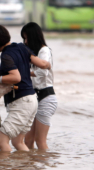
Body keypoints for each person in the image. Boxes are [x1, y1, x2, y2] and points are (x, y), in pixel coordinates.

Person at [0, 25, 51, 152]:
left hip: (21, 102)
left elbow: (16, 77)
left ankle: (5, 166)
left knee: (1, 141)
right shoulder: (22, 47)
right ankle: (27, 164)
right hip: (32, 100)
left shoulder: (6, 55)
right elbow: (42, 64)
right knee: (17, 141)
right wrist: (48, 65)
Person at [22, 22, 58, 150]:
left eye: (26, 38)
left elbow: (42, 72)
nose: (25, 42)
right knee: (28, 140)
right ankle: (30, 165)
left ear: (33, 36)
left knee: (40, 141)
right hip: (35, 98)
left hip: (46, 97)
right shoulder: (33, 54)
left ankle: (44, 165)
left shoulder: (44, 50)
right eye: (23, 39)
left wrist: (23, 73)